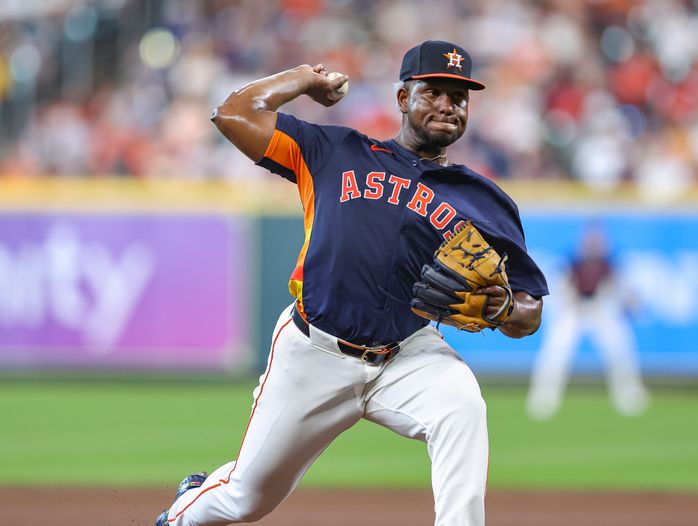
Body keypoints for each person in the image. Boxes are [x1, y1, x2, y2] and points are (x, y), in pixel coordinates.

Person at [155, 40, 548, 526]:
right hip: (314, 351)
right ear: (403, 98)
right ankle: (183, 511)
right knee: (245, 500)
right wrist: (302, 79)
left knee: (462, 406)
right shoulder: (335, 151)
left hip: (408, 353)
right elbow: (232, 113)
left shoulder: (484, 200)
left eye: (459, 96)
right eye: (434, 92)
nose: (448, 104)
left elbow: (530, 310)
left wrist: (503, 309)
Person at [526, 224, 648, 420]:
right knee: (556, 351)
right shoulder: (570, 261)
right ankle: (544, 398)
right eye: (590, 240)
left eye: (597, 240)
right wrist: (571, 308)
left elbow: (624, 290)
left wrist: (632, 305)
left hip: (601, 310)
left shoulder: (610, 263)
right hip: (574, 311)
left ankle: (629, 395)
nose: (593, 245)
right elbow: (561, 290)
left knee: (620, 348)